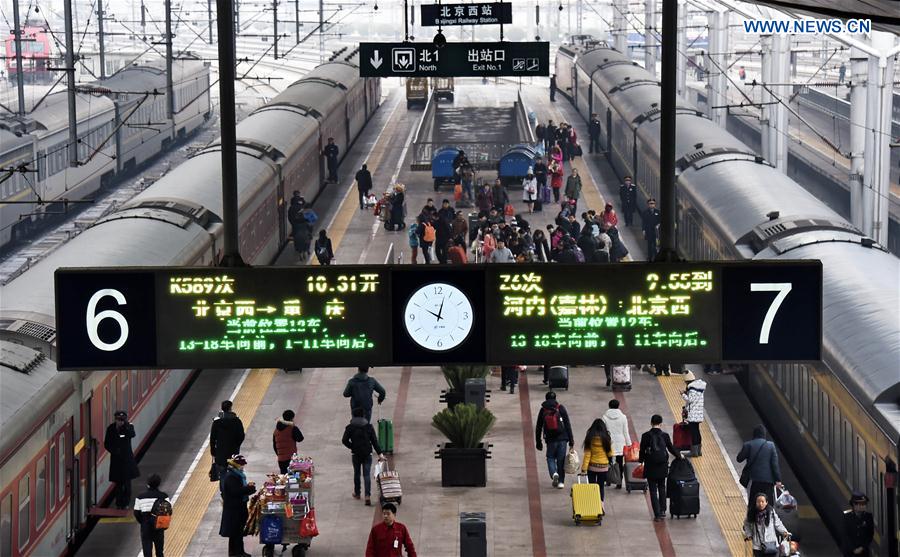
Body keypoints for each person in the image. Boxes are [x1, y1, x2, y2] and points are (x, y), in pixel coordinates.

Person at [639, 414, 682, 521]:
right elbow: (671, 448)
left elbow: (642, 450)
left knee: (653, 490)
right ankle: (663, 510)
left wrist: (641, 461)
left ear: (651, 423)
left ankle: (657, 514)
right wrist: (679, 456)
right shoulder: (665, 436)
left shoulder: (645, 436)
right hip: (662, 466)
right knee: (662, 487)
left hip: (650, 466)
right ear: (661, 424)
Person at [343, 407, 386, 506]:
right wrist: (380, 454)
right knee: (366, 474)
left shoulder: (350, 427)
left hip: (356, 454)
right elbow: (375, 442)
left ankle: (357, 493)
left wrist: (352, 446)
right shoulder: (369, 427)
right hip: (367, 453)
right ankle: (367, 495)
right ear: (363, 416)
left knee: (356, 473)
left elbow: (344, 440)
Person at [737, 424, 783, 514]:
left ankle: (750, 522)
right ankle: (767, 522)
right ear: (764, 435)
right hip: (768, 482)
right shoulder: (771, 446)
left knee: (752, 503)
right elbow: (775, 465)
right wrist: (778, 480)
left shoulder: (748, 445)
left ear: (754, 434)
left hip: (753, 481)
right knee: (768, 504)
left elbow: (739, 459)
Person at [535, 391, 575, 489]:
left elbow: (538, 427)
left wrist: (538, 441)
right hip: (562, 439)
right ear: (555, 398)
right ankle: (561, 482)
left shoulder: (543, 410)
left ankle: (554, 474)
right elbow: (567, 424)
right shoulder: (560, 408)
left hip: (550, 439)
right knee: (560, 460)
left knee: (550, 457)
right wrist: (571, 440)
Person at [219, 454, 256, 557]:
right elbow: (236, 491)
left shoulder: (235, 475)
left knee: (236, 532)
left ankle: (235, 552)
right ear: (236, 465)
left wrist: (248, 488)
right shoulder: (232, 477)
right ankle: (238, 553)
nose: (243, 467)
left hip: (236, 507)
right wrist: (249, 489)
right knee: (237, 532)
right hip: (234, 509)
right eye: (242, 465)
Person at [105, 410, 140, 509]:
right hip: (116, 460)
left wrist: (125, 427)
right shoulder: (111, 429)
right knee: (118, 484)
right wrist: (114, 451)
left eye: (122, 420)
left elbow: (132, 434)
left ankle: (126, 503)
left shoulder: (129, 426)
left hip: (127, 460)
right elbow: (106, 443)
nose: (120, 422)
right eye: (119, 420)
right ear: (115, 419)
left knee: (127, 484)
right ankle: (119, 503)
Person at [743, 493, 790, 557]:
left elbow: (778, 523)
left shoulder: (771, 512)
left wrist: (784, 531)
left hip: (772, 544)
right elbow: (746, 524)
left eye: (762, 502)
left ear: (766, 502)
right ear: (755, 503)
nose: (760, 504)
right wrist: (749, 534)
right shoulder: (752, 513)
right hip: (758, 546)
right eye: (758, 502)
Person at [133, 473, 169, 557]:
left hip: (146, 526)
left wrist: (143, 522)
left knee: (147, 552)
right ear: (159, 483)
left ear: (147, 484)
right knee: (159, 551)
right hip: (159, 526)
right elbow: (168, 511)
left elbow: (136, 513)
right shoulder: (164, 496)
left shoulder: (140, 497)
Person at [210, 401, 245, 486]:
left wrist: (213, 450)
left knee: (222, 475)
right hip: (233, 452)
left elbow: (212, 438)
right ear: (230, 408)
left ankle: (224, 494)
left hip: (220, 453)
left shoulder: (217, 422)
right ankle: (233, 490)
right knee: (234, 473)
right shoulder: (237, 421)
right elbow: (241, 436)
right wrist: (237, 445)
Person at [580, 419, 615, 501]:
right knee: (601, 487)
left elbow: (587, 455)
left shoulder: (590, 438)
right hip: (603, 467)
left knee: (592, 487)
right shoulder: (606, 438)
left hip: (592, 467)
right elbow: (610, 453)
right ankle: (601, 507)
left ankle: (593, 506)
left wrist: (584, 468)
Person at [601, 399, 632, 489]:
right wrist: (628, 443)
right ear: (618, 406)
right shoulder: (623, 417)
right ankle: (619, 482)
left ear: (609, 406)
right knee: (619, 462)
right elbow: (625, 431)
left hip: (609, 442)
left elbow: (603, 431)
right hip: (620, 443)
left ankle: (608, 480)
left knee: (608, 462)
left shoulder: (604, 417)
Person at [681, 371, 706, 456]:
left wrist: (683, 395)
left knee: (694, 432)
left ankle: (694, 452)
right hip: (698, 413)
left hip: (693, 414)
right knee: (697, 431)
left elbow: (690, 400)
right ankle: (699, 451)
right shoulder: (699, 387)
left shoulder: (692, 388)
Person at [842, 492, 874, 557]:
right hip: (850, 552)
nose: (863, 506)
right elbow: (845, 534)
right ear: (854, 504)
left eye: (864, 504)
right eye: (861, 504)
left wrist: (862, 547)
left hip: (864, 552)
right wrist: (853, 549)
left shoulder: (868, 516)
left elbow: (870, 535)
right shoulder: (847, 516)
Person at [272, 410, 305, 474]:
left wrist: (280, 455)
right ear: (292, 418)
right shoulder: (292, 428)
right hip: (291, 458)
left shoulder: (275, 431)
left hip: (281, 460)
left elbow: (274, 446)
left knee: (284, 479)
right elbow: (300, 438)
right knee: (293, 480)